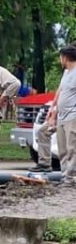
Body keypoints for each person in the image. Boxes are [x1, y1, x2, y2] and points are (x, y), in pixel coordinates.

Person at [33, 44, 76, 183]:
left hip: (72, 115)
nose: (59, 60)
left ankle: (70, 177)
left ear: (65, 57)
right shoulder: (66, 72)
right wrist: (53, 110)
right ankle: (63, 175)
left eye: (60, 57)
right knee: (62, 148)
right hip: (61, 115)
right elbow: (60, 91)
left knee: (71, 148)